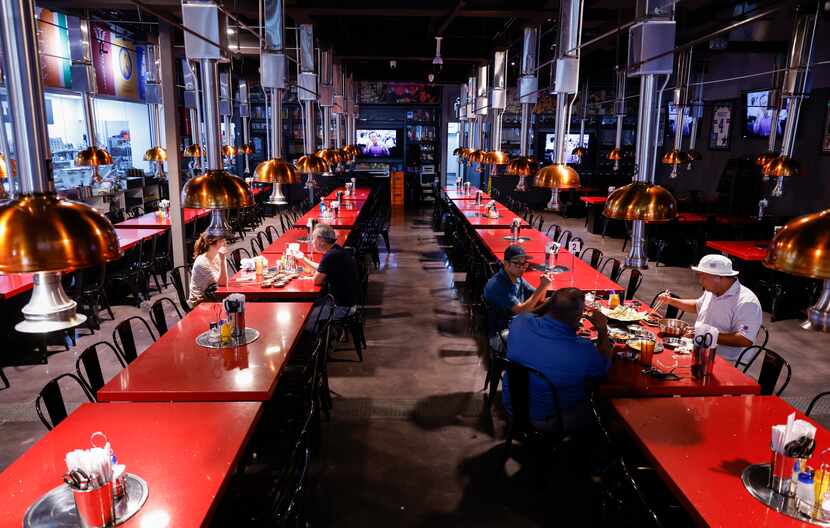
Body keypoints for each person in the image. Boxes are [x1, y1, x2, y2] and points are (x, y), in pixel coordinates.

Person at [503, 288, 612, 432]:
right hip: (547, 419)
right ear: (579, 316)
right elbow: (604, 370)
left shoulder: (520, 323)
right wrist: (602, 330)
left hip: (512, 406)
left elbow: (528, 315)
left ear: (550, 306)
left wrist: (550, 304)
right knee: (602, 411)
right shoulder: (582, 351)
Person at [657, 254, 763, 362]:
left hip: (725, 360)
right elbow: (697, 306)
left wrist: (706, 336)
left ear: (719, 277)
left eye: (703, 277)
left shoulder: (747, 302)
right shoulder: (712, 290)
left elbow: (744, 339)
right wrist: (671, 301)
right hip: (698, 347)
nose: (700, 281)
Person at [483, 245, 551, 351]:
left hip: (516, 324)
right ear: (506, 264)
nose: (522, 267)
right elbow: (521, 311)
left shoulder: (517, 278)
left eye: (524, 263)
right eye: (517, 263)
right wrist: (541, 287)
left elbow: (539, 300)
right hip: (501, 336)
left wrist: (545, 285)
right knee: (546, 340)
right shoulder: (498, 285)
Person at [296, 223, 359, 331]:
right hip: (348, 300)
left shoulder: (330, 256)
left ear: (321, 240)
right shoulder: (336, 250)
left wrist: (309, 276)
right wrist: (303, 259)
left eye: (313, 239)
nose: (312, 242)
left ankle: (314, 345)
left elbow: (316, 281)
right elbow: (322, 268)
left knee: (303, 318)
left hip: (342, 306)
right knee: (306, 308)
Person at [188, 232, 228, 306]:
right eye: (222, 241)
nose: (225, 243)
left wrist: (223, 259)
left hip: (213, 294)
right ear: (212, 244)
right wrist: (222, 260)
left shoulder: (217, 256)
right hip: (200, 301)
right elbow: (222, 283)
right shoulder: (202, 262)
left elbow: (223, 283)